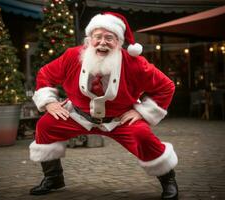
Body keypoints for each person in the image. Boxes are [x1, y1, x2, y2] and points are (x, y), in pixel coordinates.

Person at [30, 12, 178, 200]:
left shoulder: (135, 63)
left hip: (119, 119)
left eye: (109, 38)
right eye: (97, 37)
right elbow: (46, 74)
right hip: (78, 115)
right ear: (89, 39)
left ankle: (168, 180)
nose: (102, 42)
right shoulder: (72, 56)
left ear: (119, 42)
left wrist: (141, 111)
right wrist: (49, 102)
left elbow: (166, 86)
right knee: (46, 125)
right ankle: (53, 178)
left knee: (142, 136)